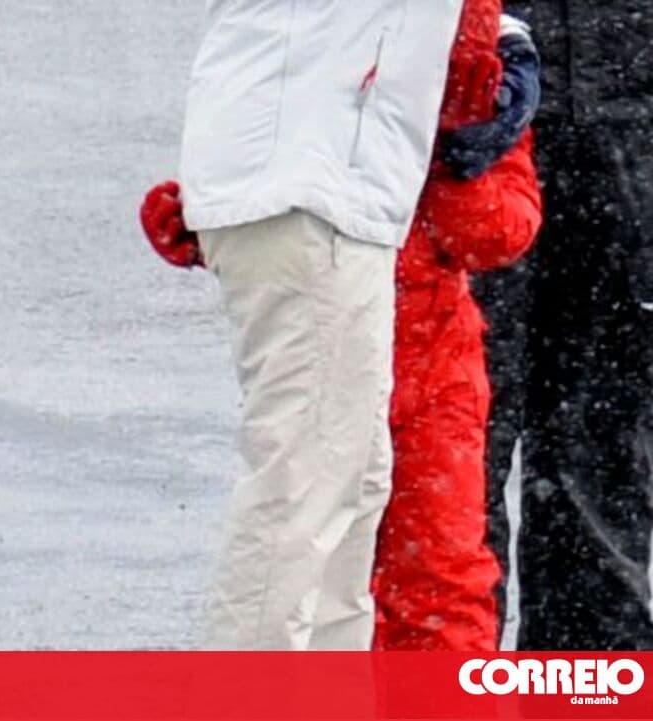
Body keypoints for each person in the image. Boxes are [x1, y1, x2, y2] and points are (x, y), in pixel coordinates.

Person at [139, 1, 464, 650]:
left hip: (325, 176)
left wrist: (505, 38)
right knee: (306, 479)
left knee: (349, 475)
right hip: (309, 181)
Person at [479, 0, 653, 650]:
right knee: (453, 458)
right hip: (471, 139)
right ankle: (436, 694)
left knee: (601, 461)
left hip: (627, 141)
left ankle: (587, 695)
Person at [372, 4, 543, 651]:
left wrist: (455, 159)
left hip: (424, 366)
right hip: (356, 351)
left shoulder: (490, 63)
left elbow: (496, 229)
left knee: (432, 579)